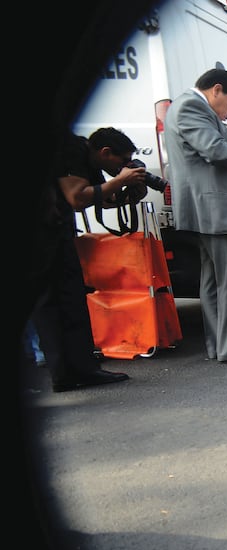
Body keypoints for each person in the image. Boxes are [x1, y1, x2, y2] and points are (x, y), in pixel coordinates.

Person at [163, 68, 227, 363]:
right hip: (217, 210)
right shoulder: (191, 105)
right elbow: (215, 150)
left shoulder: (185, 107)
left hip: (209, 210)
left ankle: (219, 345)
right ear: (216, 90)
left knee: (212, 283)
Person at [34, 127, 141, 392]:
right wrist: (119, 180)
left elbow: (101, 198)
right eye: (121, 161)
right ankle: (81, 370)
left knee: (54, 303)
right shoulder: (70, 148)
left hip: (49, 231)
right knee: (65, 301)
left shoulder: (88, 157)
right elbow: (76, 197)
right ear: (105, 152)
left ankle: (66, 374)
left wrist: (128, 190)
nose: (121, 168)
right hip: (45, 234)